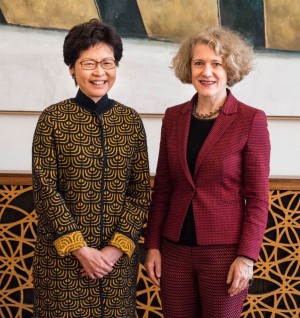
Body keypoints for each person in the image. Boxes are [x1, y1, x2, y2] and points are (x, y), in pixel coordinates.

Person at [144, 27, 271, 318]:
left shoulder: (251, 120)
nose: (207, 71)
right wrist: (152, 245)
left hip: (224, 254)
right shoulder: (173, 117)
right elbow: (163, 188)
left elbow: (257, 198)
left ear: (230, 68)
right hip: (173, 250)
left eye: (217, 63)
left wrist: (247, 256)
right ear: (189, 68)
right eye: (199, 63)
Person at [32, 19, 150, 318]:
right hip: (63, 264)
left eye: (107, 62)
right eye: (89, 63)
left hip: (116, 265)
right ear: (72, 67)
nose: (100, 72)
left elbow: (139, 193)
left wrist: (114, 250)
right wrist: (80, 249)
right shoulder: (53, 119)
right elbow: (46, 191)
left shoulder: (130, 121)